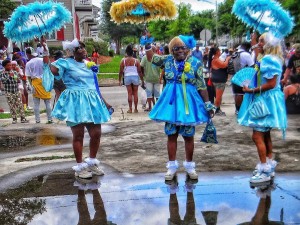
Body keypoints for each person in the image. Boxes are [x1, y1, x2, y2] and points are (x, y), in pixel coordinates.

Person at [145, 35, 215, 181]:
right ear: (172, 50)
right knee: (171, 135)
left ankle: (190, 167)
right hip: (170, 105)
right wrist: (147, 43)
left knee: (189, 136)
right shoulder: (168, 60)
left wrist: (208, 104)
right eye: (176, 48)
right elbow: (152, 57)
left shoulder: (196, 63)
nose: (180, 51)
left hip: (188, 103)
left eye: (183, 47)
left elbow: (201, 85)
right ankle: (171, 167)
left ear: (188, 49)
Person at [42, 37, 111, 179]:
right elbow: (51, 70)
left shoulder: (89, 64)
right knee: (78, 135)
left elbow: (94, 86)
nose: (83, 50)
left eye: (83, 47)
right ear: (73, 51)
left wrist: (104, 102)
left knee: (96, 133)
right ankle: (80, 167)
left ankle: (92, 162)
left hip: (92, 102)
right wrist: (45, 52)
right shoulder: (65, 63)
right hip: (75, 103)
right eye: (79, 48)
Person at [238, 32, 287, 184]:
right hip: (268, 99)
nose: (258, 43)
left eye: (261, 41)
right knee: (265, 134)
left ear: (268, 44)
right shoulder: (270, 58)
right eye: (258, 41)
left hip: (265, 100)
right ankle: (268, 165)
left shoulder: (269, 60)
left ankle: (265, 169)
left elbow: (271, 84)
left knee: (257, 136)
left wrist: (251, 90)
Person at [25, 47, 53, 124]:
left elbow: (28, 76)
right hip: (44, 81)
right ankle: (50, 119)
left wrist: (30, 86)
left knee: (36, 103)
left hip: (35, 83)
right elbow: (49, 69)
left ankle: (37, 120)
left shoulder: (28, 63)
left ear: (27, 54)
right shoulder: (42, 60)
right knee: (47, 102)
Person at [0, 59, 29, 124]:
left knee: (20, 105)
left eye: (10, 65)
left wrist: (17, 78)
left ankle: (23, 118)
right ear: (4, 66)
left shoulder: (14, 72)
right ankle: (14, 119)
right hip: (8, 92)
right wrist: (10, 76)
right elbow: (4, 81)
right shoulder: (2, 73)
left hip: (16, 91)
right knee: (12, 105)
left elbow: (18, 80)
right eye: (8, 65)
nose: (10, 67)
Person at [230, 42, 255, 114]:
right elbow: (252, 66)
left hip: (235, 76)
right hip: (243, 77)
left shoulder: (234, 54)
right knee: (241, 94)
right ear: (247, 48)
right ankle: (241, 110)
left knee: (236, 93)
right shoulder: (246, 55)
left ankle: (237, 109)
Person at [119, 44, 144, 113]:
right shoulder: (136, 61)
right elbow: (139, 71)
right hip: (135, 77)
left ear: (126, 52)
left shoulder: (123, 61)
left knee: (129, 93)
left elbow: (120, 72)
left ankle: (130, 109)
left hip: (127, 77)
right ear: (132, 52)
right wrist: (142, 80)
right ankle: (136, 109)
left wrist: (119, 80)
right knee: (135, 93)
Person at [211, 46, 231, 116]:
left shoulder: (215, 59)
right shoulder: (215, 60)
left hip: (218, 80)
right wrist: (228, 59)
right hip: (219, 81)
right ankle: (214, 111)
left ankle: (217, 110)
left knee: (218, 96)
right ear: (217, 52)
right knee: (218, 97)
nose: (220, 52)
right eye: (219, 51)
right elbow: (224, 65)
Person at [140, 45, 161, 112]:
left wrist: (143, 74)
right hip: (156, 78)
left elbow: (141, 66)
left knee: (149, 94)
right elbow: (162, 67)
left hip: (148, 78)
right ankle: (157, 107)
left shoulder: (144, 58)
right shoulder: (158, 57)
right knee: (157, 94)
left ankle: (150, 107)